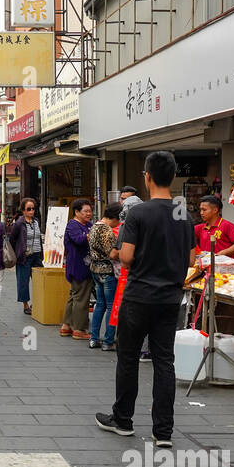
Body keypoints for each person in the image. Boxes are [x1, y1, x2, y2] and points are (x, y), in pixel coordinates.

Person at [96, 151, 196, 448]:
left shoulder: (138, 213)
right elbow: (191, 258)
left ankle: (123, 420)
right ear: (173, 177)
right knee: (165, 361)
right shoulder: (184, 213)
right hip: (170, 299)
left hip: (139, 296)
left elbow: (125, 257)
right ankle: (163, 431)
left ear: (147, 177)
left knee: (128, 357)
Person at [87, 203, 122, 350]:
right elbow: (112, 254)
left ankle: (94, 338)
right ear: (115, 217)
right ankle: (108, 341)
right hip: (107, 271)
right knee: (110, 306)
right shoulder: (107, 231)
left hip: (95, 269)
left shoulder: (95, 226)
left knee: (99, 304)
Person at [60, 199, 94, 339]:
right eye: (85, 211)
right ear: (77, 212)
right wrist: (91, 234)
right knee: (81, 298)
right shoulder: (73, 225)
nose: (89, 214)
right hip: (78, 266)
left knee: (74, 296)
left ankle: (66, 326)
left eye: (90, 211)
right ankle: (79, 329)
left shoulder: (88, 224)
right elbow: (79, 240)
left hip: (82, 265)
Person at [9, 197, 44, 315]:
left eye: (33, 209)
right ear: (23, 210)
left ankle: (38, 302)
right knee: (23, 281)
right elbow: (12, 239)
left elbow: (39, 237)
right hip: (24, 257)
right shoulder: (19, 223)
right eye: (28, 209)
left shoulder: (36, 221)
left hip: (37, 255)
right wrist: (18, 253)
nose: (31, 211)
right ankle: (25, 305)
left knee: (39, 280)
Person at [193, 194, 234, 261]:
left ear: (215, 210)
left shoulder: (227, 225)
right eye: (200, 210)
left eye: (204, 210)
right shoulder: (199, 228)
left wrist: (221, 254)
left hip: (225, 267)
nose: (201, 213)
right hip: (206, 265)